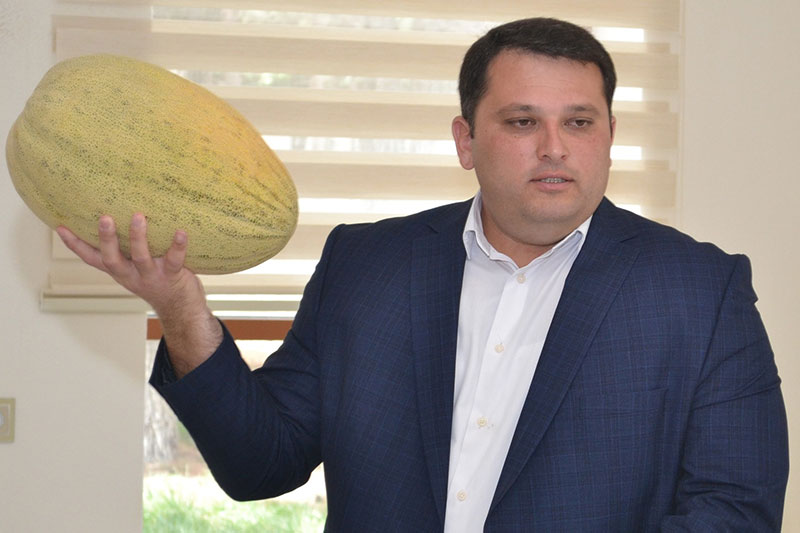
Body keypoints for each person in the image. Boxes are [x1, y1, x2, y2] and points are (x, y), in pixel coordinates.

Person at [57, 17, 788, 532]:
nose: (555, 147)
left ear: (610, 136)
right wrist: (181, 307)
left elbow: (734, 510)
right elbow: (260, 464)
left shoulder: (701, 291)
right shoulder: (366, 266)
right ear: (466, 141)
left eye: (579, 121)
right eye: (522, 122)